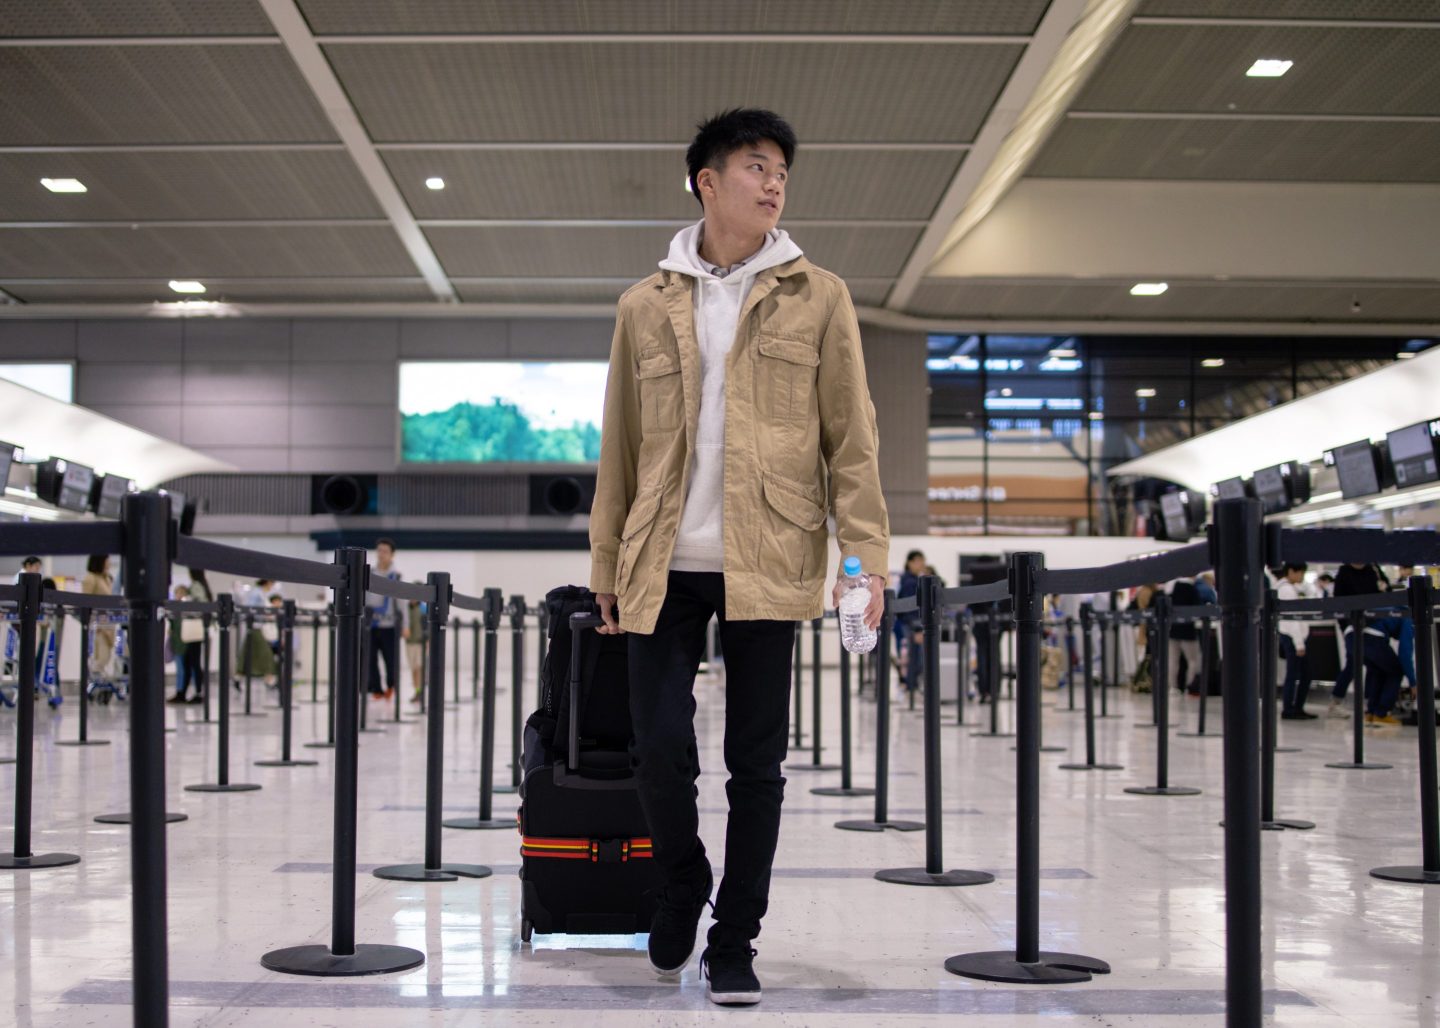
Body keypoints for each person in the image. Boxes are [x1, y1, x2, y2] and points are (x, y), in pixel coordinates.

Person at [588, 108, 887, 1007]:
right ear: (706, 181)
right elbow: (622, 446)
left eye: (782, 173)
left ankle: (735, 938)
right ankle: (682, 879)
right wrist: (607, 563)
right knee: (658, 751)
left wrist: (864, 557)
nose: (773, 184)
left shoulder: (819, 295)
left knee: (756, 764)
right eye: (756, 167)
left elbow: (854, 437)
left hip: (772, 555)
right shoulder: (644, 304)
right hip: (662, 557)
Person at [1326, 561, 1390, 718]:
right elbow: (1338, 603)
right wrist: (1347, 627)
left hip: (1375, 625)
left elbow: (1385, 591)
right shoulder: (1344, 572)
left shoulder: (1373, 569)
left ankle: (1370, 703)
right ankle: (1337, 701)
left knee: (1372, 664)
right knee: (1353, 663)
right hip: (1353, 626)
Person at [365, 538, 408, 700]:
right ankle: (376, 689)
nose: (381, 554)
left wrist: (405, 625)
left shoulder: (395, 576)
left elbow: (402, 602)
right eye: (379, 551)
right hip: (371, 624)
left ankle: (391, 685)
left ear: (392, 555)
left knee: (391, 659)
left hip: (389, 625)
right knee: (370, 659)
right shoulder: (369, 574)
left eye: (385, 551)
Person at [1276, 562, 1317, 719]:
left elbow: (1310, 592)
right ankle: (1291, 708)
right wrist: (1299, 643)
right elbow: (1292, 619)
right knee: (1297, 674)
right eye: (1301, 573)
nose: (1302, 577)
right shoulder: (1286, 590)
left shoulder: (1288, 587)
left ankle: (1294, 707)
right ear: (1291, 571)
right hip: (1294, 638)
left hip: (1293, 637)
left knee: (1298, 674)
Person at [895, 550, 925, 696]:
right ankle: (911, 685)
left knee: (913, 656)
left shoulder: (909, 579)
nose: (921, 564)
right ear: (909, 563)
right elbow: (911, 608)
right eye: (918, 561)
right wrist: (917, 628)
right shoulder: (910, 582)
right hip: (911, 625)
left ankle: (911, 684)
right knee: (915, 656)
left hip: (908, 624)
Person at [82, 554, 116, 680]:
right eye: (107, 560)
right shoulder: (90, 579)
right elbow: (86, 602)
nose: (109, 563)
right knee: (101, 657)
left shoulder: (106, 579)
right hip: (98, 624)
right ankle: (93, 682)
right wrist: (93, 623)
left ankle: (99, 684)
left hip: (108, 622)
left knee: (107, 656)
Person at [406, 585, 427, 704]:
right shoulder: (407, 608)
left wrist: (428, 640)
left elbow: (428, 625)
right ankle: (417, 690)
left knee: (419, 667)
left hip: (420, 642)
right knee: (413, 668)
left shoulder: (423, 608)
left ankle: (420, 691)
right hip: (409, 642)